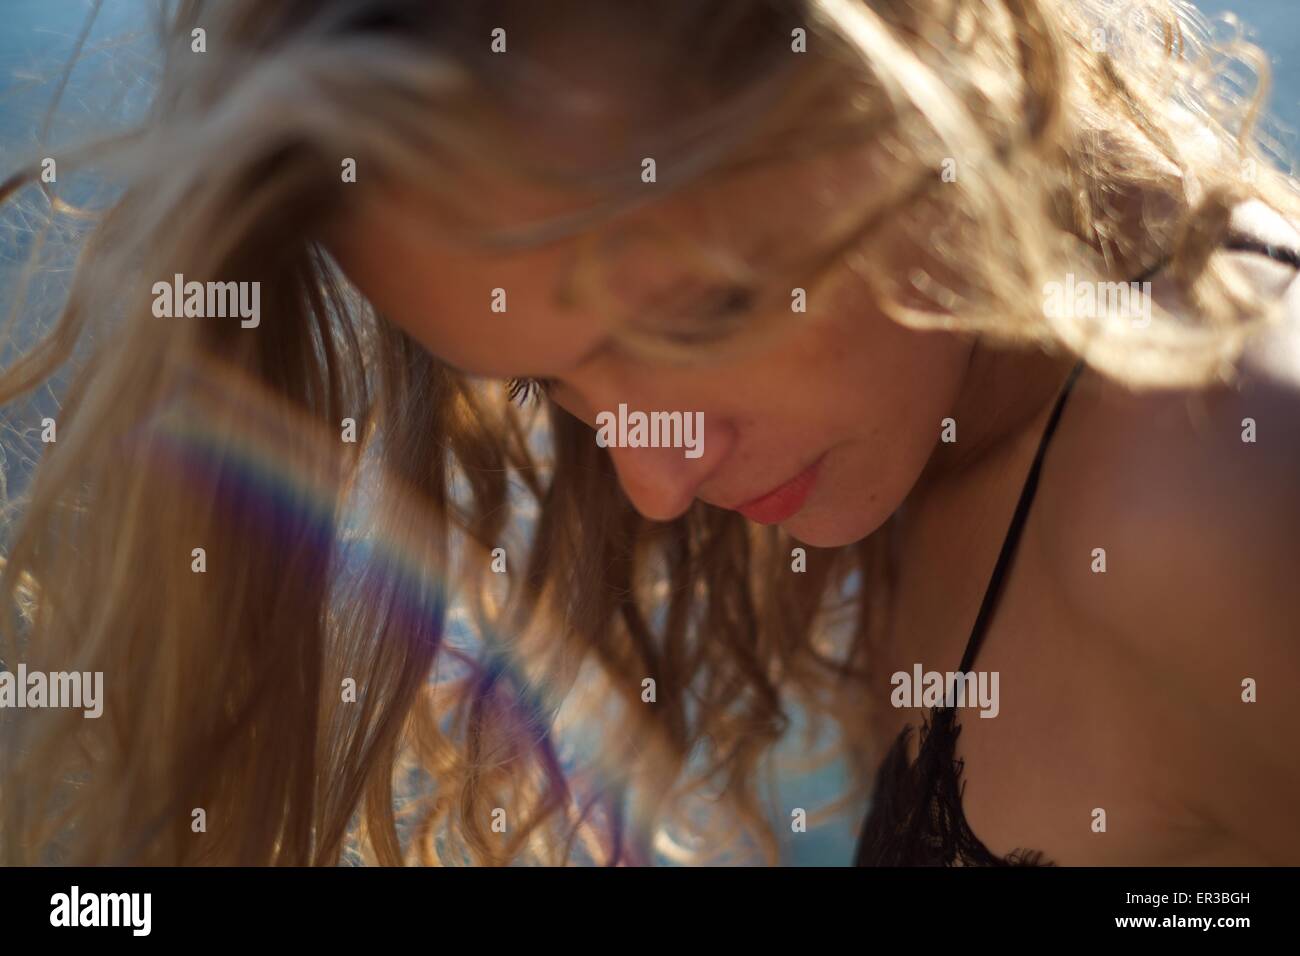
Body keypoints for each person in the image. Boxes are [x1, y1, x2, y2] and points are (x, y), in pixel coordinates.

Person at [1, 0, 1297, 866]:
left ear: (917, 74)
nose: (656, 481)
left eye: (701, 314)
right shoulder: (945, 436)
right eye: (544, 389)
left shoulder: (1221, 483)